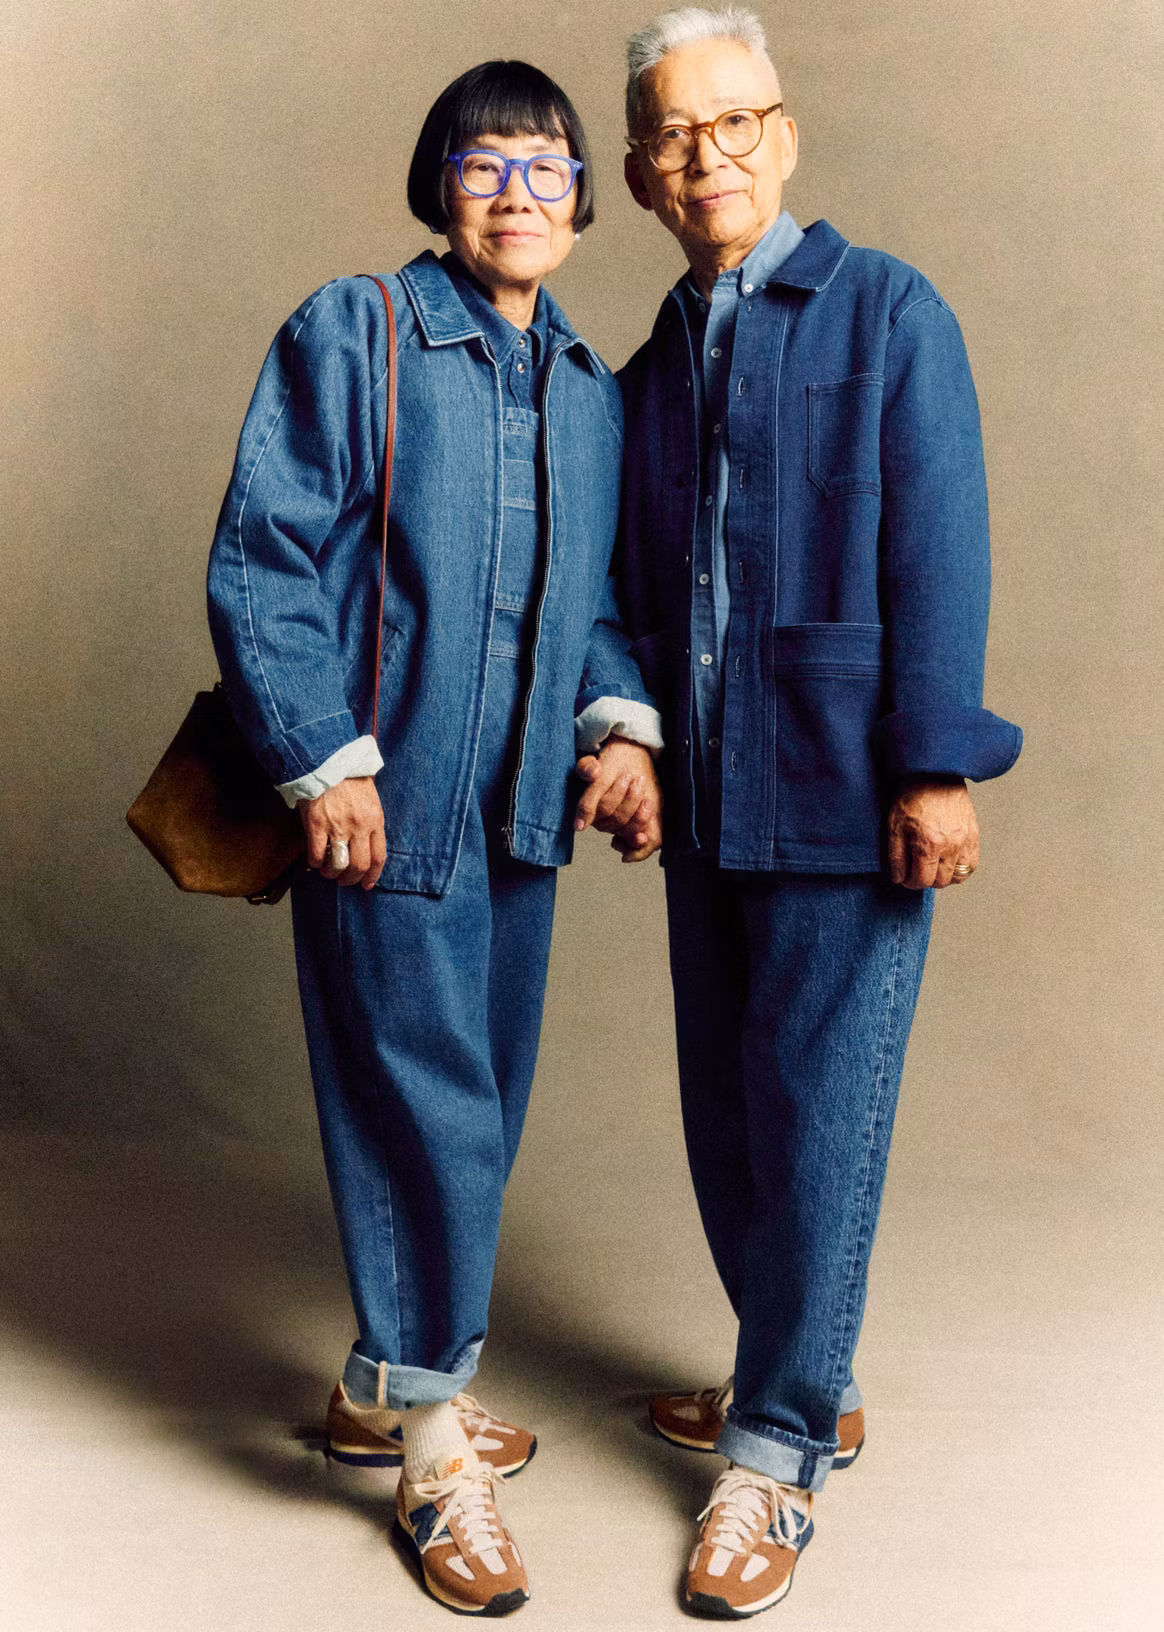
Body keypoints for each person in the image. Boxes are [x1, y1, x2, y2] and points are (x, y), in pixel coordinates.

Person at [207, 59, 662, 1617]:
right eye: (486, 168)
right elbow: (265, 554)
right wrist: (318, 759)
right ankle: (428, 1443)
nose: (518, 197)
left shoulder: (590, 388)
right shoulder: (360, 331)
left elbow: (591, 608)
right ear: (437, 185)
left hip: (522, 814)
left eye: (548, 173)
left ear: (589, 208)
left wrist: (620, 732)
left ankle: (396, 1385)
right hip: (381, 809)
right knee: (431, 1115)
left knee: (482, 1099)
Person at [611, 7, 1022, 1617]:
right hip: (706, 793)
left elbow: (941, 542)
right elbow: (627, 585)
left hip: (851, 792)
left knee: (817, 1123)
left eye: (733, 122)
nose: (706, 155)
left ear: (783, 134)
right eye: (671, 135)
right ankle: (802, 1368)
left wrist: (933, 763)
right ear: (641, 176)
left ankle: (775, 1453)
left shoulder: (887, 311)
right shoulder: (653, 358)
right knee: (730, 1117)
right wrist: (627, 732)